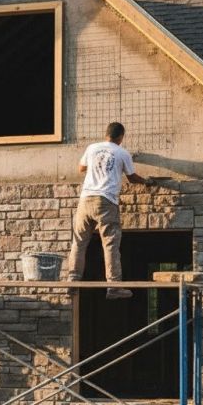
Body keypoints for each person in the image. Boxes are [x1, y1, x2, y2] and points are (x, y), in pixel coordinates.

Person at [67, 122, 151, 299]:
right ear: (121, 137)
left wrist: (98, 166)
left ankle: (72, 282)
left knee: (79, 242)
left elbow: (81, 168)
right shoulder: (122, 153)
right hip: (105, 201)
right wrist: (147, 182)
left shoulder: (92, 148)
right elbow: (132, 177)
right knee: (110, 243)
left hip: (85, 200)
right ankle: (113, 286)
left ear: (106, 134)